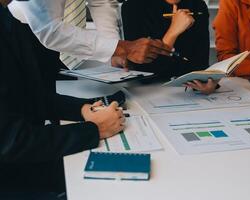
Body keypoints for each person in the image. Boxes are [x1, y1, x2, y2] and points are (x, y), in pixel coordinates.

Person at [0, 0, 125, 197]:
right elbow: (9, 141)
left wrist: (81, 109)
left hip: (21, 161)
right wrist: (93, 130)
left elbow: (31, 95)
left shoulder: (6, 19)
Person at [8, 0, 172, 69]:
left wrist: (114, 49)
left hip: (71, 38)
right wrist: (122, 48)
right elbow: (50, 29)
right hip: (25, 34)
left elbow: (100, 2)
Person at [122, 0, 219, 94]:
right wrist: (173, 32)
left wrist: (208, 83)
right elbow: (144, 74)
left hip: (186, 93)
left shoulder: (198, 5)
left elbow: (200, 65)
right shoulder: (132, 6)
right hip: (146, 93)